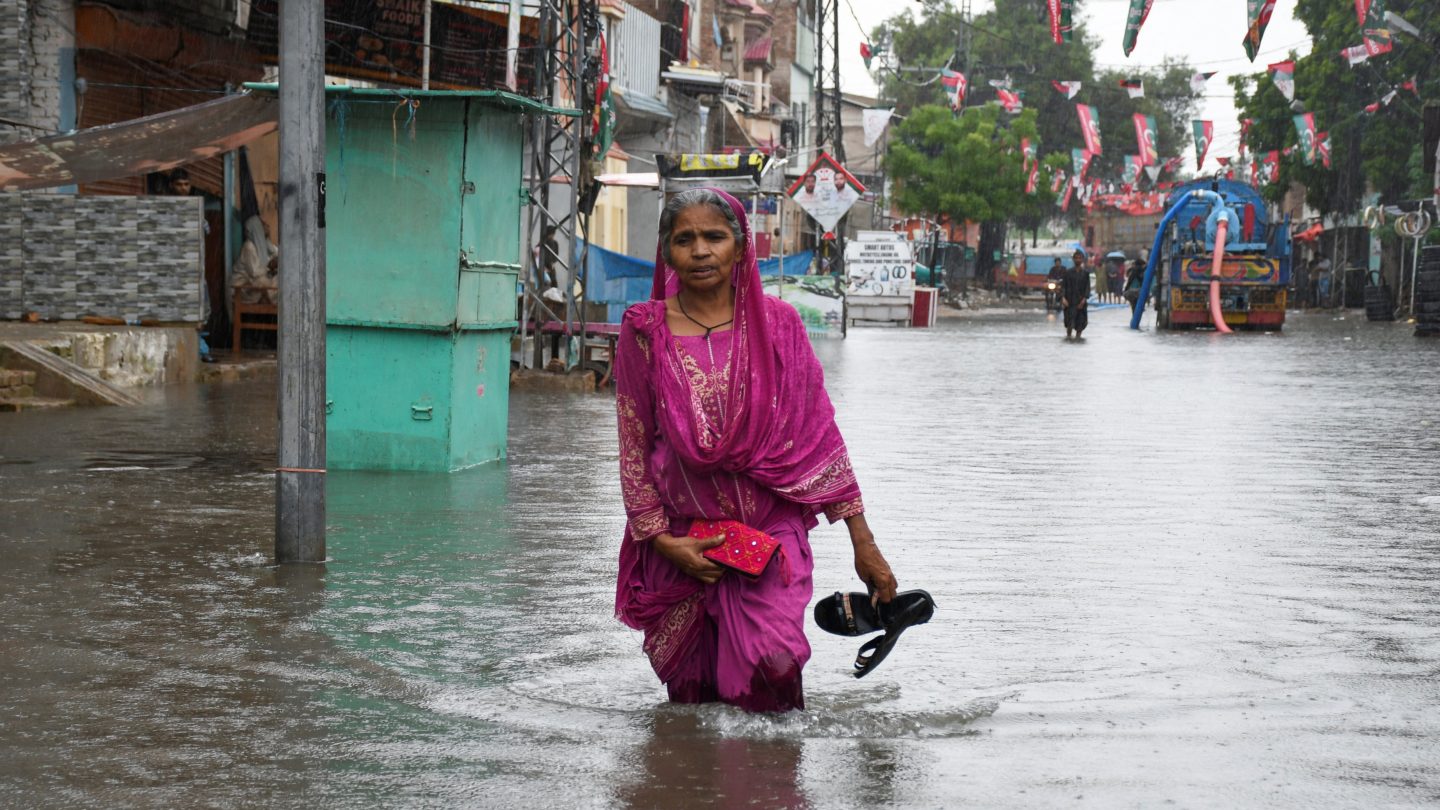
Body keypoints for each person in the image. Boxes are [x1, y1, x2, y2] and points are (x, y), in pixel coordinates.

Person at [613, 188, 898, 713]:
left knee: (774, 670)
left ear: (741, 247)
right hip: (684, 544)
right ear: (667, 252)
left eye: (714, 237)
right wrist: (662, 543)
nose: (700, 251)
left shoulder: (780, 326)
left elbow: (820, 440)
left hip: (769, 540)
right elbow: (633, 448)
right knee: (693, 705)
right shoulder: (643, 333)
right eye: (685, 239)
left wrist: (864, 543)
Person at [1061, 249, 1090, 339]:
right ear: (1073, 259)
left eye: (1079, 258)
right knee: (1069, 323)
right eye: (1076, 258)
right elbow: (1063, 286)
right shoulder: (1068, 273)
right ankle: (1068, 338)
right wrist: (1063, 298)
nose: (1078, 260)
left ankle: (1078, 339)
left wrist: (1084, 300)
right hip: (1070, 302)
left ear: (1082, 260)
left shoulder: (1085, 274)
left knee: (1080, 324)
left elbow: (1087, 288)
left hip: (1081, 302)